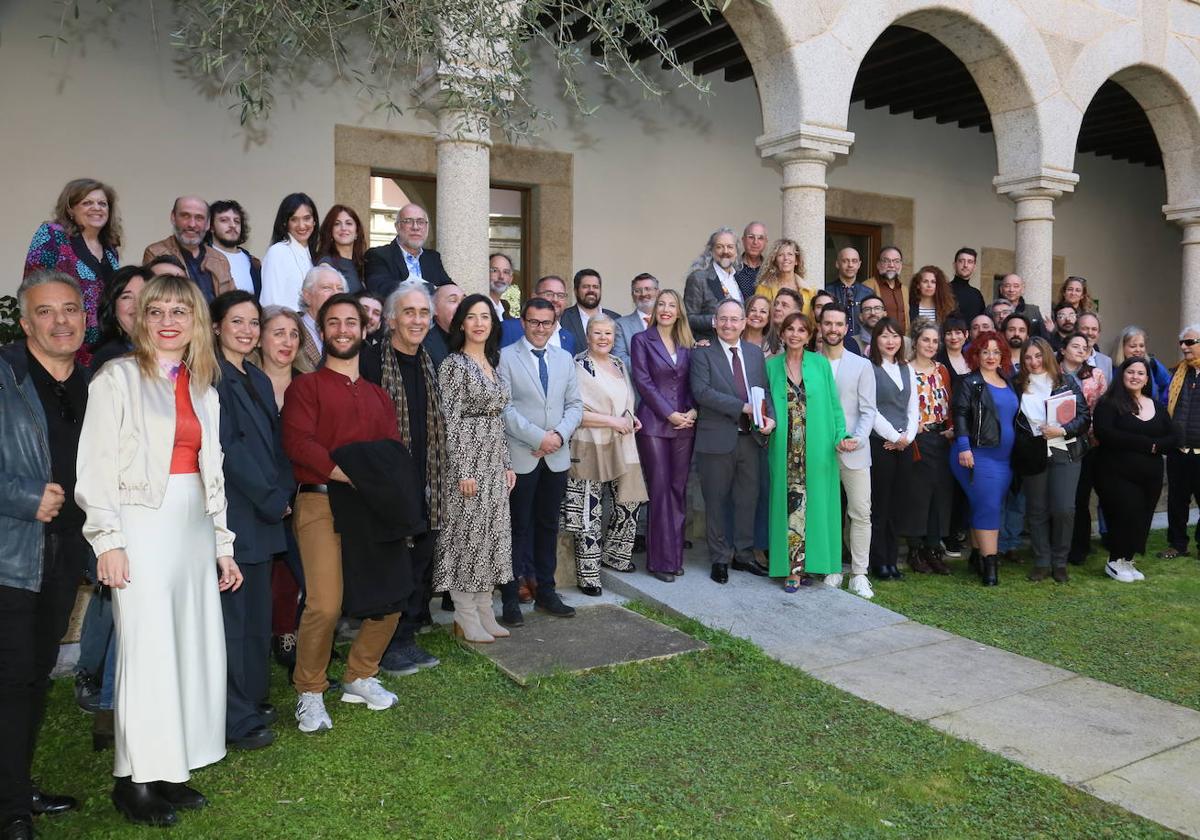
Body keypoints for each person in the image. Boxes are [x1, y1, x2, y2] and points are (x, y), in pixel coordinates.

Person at [77, 273, 241, 826]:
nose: (169, 322)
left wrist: (223, 546)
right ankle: (135, 779)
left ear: (196, 322)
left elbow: (211, 473)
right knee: (147, 655)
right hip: (139, 527)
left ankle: (174, 768)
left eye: (180, 311)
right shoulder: (115, 379)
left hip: (193, 526)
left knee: (189, 649)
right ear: (141, 319)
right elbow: (95, 467)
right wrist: (108, 540)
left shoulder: (205, 389)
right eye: (157, 311)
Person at [281, 293, 404, 734]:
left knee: (389, 597)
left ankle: (359, 675)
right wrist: (351, 473)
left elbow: (392, 451)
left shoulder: (377, 395)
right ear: (322, 330)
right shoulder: (305, 388)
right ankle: (310, 690)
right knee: (326, 604)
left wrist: (375, 485)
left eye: (351, 322)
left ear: (364, 329)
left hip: (371, 505)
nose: (343, 330)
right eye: (333, 323)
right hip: (320, 501)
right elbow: (300, 445)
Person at [1, 271, 89, 840]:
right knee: (11, 679)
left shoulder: (90, 383)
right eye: (47, 312)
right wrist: (24, 497)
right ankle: (10, 810)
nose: (61, 321)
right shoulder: (5, 375)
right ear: (26, 321)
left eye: (71, 309)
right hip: (11, 553)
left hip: (65, 552)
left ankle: (15, 786)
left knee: (34, 676)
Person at [211, 291, 292, 751]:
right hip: (238, 513)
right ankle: (234, 717)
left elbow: (277, 445)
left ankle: (255, 699)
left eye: (253, 322)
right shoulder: (212, 378)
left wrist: (282, 493)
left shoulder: (257, 378)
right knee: (235, 622)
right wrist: (267, 498)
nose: (246, 330)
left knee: (259, 617)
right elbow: (228, 451)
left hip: (267, 512)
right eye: (236, 321)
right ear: (218, 326)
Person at [360, 280, 451, 665]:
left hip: (426, 482)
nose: (417, 320)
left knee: (419, 562)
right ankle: (386, 644)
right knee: (391, 567)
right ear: (392, 319)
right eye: (409, 312)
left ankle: (407, 636)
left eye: (424, 313)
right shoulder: (371, 362)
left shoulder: (430, 361)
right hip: (387, 483)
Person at [433, 294, 517, 640]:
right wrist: (462, 469)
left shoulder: (492, 364)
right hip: (467, 463)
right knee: (467, 537)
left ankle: (485, 609)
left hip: (494, 463)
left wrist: (507, 464)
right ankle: (465, 614)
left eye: (485, 316)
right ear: (461, 323)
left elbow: (499, 420)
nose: (479, 323)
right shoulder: (454, 365)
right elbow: (448, 421)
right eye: (472, 316)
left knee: (492, 537)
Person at [498, 298, 584, 621]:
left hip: (556, 457)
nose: (540, 328)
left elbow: (575, 404)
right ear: (523, 322)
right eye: (534, 322)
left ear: (554, 324)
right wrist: (539, 438)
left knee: (548, 526)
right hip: (523, 455)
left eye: (546, 323)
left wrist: (558, 437)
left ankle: (546, 592)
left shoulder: (564, 359)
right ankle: (509, 598)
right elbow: (505, 408)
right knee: (517, 527)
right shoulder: (506, 358)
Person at [690, 299, 777, 584]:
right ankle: (719, 558)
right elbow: (702, 392)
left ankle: (743, 554)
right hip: (715, 439)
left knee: (746, 500)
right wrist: (743, 407)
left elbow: (764, 391)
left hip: (750, 440)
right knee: (716, 501)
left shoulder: (754, 354)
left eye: (734, 319)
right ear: (715, 322)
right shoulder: (702, 354)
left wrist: (770, 418)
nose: (729, 324)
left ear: (743, 323)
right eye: (723, 319)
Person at [562, 315, 648, 595]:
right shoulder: (578, 366)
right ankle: (588, 575)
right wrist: (614, 421)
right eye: (597, 333)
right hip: (589, 443)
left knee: (629, 501)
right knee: (589, 510)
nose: (603, 338)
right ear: (587, 336)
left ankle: (616, 556)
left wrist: (630, 418)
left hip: (623, 442)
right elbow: (575, 412)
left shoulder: (620, 364)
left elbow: (626, 400)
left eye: (608, 334)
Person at [764, 312, 844, 591]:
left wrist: (841, 435)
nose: (795, 334)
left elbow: (834, 406)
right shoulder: (771, 366)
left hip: (817, 447)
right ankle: (793, 570)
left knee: (816, 506)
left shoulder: (820, 364)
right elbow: (761, 404)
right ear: (782, 334)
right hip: (784, 449)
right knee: (790, 508)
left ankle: (813, 564)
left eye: (801, 330)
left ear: (810, 336)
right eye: (790, 329)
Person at [251, 305, 311, 668]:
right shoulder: (245, 382)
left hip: (302, 495)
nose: (287, 341)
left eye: (293, 334)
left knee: (300, 574)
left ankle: (295, 638)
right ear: (260, 338)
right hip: (259, 497)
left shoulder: (307, 383)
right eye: (278, 332)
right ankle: (267, 640)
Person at [631, 290, 697, 582]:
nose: (666, 309)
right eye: (662, 305)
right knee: (659, 491)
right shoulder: (641, 341)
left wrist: (693, 411)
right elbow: (643, 382)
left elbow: (694, 382)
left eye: (672, 305)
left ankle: (675, 558)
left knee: (677, 489)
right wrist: (669, 413)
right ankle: (660, 562)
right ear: (655, 310)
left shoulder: (688, 345)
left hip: (685, 425)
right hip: (655, 425)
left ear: (680, 312)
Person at [1012, 337, 1090, 582]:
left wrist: (1063, 430)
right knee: (1036, 510)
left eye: (1037, 356)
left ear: (1047, 355)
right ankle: (1042, 562)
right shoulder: (1015, 384)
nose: (1033, 362)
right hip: (1032, 453)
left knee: (1064, 509)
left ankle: (1060, 561)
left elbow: (1084, 416)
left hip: (1064, 451)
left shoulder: (1065, 381)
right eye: (1028, 357)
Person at [1094, 358, 1177, 583]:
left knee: (1143, 515)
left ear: (1147, 379)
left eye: (1141, 373)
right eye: (1131, 372)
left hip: (1150, 476)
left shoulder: (1156, 406)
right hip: (1115, 473)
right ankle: (1114, 561)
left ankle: (1127, 560)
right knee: (1125, 512)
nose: (1135, 377)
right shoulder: (1108, 403)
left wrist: (1156, 445)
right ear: (1122, 375)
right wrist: (1147, 444)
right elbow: (1106, 434)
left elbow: (1172, 437)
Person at [24, 179, 121, 364]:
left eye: (103, 203)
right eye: (87, 203)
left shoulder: (110, 249)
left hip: (105, 349)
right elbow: (33, 287)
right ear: (70, 208)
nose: (97, 208)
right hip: (63, 343)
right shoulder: (52, 234)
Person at [950, 331, 1018, 586]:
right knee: (988, 506)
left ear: (1003, 356)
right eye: (985, 351)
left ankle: (977, 556)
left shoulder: (1007, 380)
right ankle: (990, 565)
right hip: (976, 455)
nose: (991, 356)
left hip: (1004, 460)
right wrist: (964, 447)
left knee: (988, 505)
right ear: (975, 355)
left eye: (996, 352)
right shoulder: (970, 382)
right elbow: (959, 414)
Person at [819, 303, 877, 599]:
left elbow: (868, 411)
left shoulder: (862, 365)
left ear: (846, 328)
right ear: (820, 327)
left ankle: (859, 573)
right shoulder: (810, 362)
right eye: (827, 323)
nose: (833, 329)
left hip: (854, 450)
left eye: (838, 324)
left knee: (859, 511)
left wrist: (856, 438)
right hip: (821, 453)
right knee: (827, 512)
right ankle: (831, 567)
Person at [867, 318, 919, 580]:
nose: (891, 341)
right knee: (880, 505)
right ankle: (879, 561)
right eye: (885, 336)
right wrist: (893, 436)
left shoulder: (906, 367)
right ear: (876, 339)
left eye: (895, 336)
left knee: (898, 505)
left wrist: (907, 437)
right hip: (881, 444)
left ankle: (892, 560)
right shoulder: (869, 368)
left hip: (905, 445)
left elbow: (914, 407)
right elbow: (870, 409)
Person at [901, 322, 954, 575]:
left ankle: (934, 548)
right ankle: (915, 548)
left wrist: (952, 427)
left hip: (941, 437)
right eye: (926, 340)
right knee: (918, 496)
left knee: (939, 495)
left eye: (935, 341)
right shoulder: (905, 370)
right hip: (918, 440)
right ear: (916, 341)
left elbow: (949, 401)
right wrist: (912, 427)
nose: (931, 345)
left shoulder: (942, 370)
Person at [1059, 332, 1107, 567]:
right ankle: (1057, 545)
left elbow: (1102, 410)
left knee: (1080, 497)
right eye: (1075, 346)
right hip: (1056, 442)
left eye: (1084, 347)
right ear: (1063, 349)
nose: (1080, 350)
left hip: (1088, 444)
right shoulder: (1052, 373)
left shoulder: (1096, 376)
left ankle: (1079, 547)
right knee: (1059, 498)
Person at [142, 196, 234, 304]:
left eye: (199, 218)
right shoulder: (155, 253)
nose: (192, 224)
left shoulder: (220, 260)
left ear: (208, 224)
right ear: (173, 217)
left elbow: (232, 303)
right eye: (185, 216)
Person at [1162, 324, 1200, 559]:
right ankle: (1177, 544)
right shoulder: (1176, 372)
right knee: (1177, 502)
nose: (1185, 347)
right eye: (1182, 343)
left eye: (1190, 342)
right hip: (1179, 450)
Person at [363, 203, 452, 297]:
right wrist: (431, 288)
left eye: (420, 222)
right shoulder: (378, 255)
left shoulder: (433, 258)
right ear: (397, 226)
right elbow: (380, 287)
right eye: (408, 221)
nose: (415, 227)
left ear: (427, 227)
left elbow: (448, 286)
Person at [259, 193, 318, 309]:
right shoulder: (277, 252)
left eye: (307, 218)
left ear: (314, 221)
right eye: (294, 219)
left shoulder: (314, 256)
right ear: (285, 223)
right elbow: (270, 302)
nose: (302, 226)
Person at [683, 226, 742, 338]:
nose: (725, 251)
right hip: (710, 347)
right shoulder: (699, 278)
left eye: (730, 247)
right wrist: (718, 320)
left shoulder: (738, 278)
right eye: (719, 247)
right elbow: (687, 318)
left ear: (736, 251)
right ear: (711, 250)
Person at [90, 266, 149, 372]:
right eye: (126, 297)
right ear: (113, 308)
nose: (137, 305)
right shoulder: (109, 359)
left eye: (144, 295)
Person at [500, 275, 578, 353]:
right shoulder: (508, 329)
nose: (555, 299)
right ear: (534, 296)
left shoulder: (569, 339)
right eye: (549, 294)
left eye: (560, 295)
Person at [296, 264, 349, 368]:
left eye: (340, 289)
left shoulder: (347, 334)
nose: (335, 294)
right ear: (307, 296)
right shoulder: (294, 331)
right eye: (326, 288)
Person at [208, 200, 262, 298]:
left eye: (237, 221)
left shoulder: (254, 263)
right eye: (224, 220)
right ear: (211, 227)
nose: (233, 225)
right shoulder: (202, 258)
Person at [560, 268, 620, 351]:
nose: (591, 290)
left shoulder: (616, 319)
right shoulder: (563, 318)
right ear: (576, 291)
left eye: (595, 287)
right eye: (586, 287)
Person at [1112, 326, 1171, 404]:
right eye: (1133, 346)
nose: (1138, 350)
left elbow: (1168, 385)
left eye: (1141, 346)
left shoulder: (1152, 364)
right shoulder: (1112, 368)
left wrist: (1161, 405)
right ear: (1122, 347)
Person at [316, 204, 367, 294]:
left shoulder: (362, 263)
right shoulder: (326, 265)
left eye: (348, 223)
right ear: (330, 232)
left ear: (356, 232)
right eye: (337, 224)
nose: (343, 228)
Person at [613, 272, 659, 368]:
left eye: (648, 289)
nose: (643, 294)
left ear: (658, 292)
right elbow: (620, 361)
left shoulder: (669, 321)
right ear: (632, 296)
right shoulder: (620, 325)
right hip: (636, 382)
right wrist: (654, 365)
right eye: (637, 290)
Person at [754, 238, 814, 311]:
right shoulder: (763, 288)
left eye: (790, 254)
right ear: (775, 261)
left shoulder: (809, 291)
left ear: (797, 261)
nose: (786, 258)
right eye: (781, 255)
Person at [825, 246, 873, 335]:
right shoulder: (827, 291)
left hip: (861, 344)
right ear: (837, 264)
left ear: (859, 264)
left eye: (854, 261)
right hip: (834, 340)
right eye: (845, 261)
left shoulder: (868, 293)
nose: (850, 265)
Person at [865, 246, 909, 333]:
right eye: (886, 261)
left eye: (896, 261)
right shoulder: (867, 287)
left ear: (901, 265)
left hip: (902, 341)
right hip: (877, 341)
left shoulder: (904, 289)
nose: (891, 265)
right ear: (878, 265)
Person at [424, 283, 464, 367]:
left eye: (464, 300)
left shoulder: (472, 337)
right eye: (453, 300)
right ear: (434, 308)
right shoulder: (425, 345)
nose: (462, 306)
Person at [764, 288, 804, 356]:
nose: (777, 308)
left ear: (796, 313)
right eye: (775, 304)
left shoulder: (801, 340)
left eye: (784, 305)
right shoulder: (762, 337)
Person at [948, 247, 985, 322]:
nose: (965, 265)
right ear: (954, 265)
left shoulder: (977, 295)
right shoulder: (944, 290)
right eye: (961, 261)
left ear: (974, 267)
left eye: (970, 262)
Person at [1076, 312, 1113, 383]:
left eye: (1094, 329)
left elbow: (1108, 392)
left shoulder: (1106, 362)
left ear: (1098, 333)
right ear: (1075, 331)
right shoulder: (1059, 356)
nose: (1090, 333)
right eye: (1085, 328)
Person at [734, 222, 768, 299]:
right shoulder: (732, 268)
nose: (755, 242)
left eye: (760, 238)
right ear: (743, 240)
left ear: (766, 242)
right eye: (751, 237)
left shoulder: (771, 270)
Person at [937, 316, 971, 391]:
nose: (953, 337)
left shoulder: (971, 357)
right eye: (949, 333)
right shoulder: (938, 360)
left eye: (958, 333)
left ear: (966, 334)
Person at [488, 253, 516, 320]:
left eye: (506, 272)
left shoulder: (506, 315)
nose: (501, 276)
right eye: (495, 270)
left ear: (510, 279)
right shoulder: (478, 308)